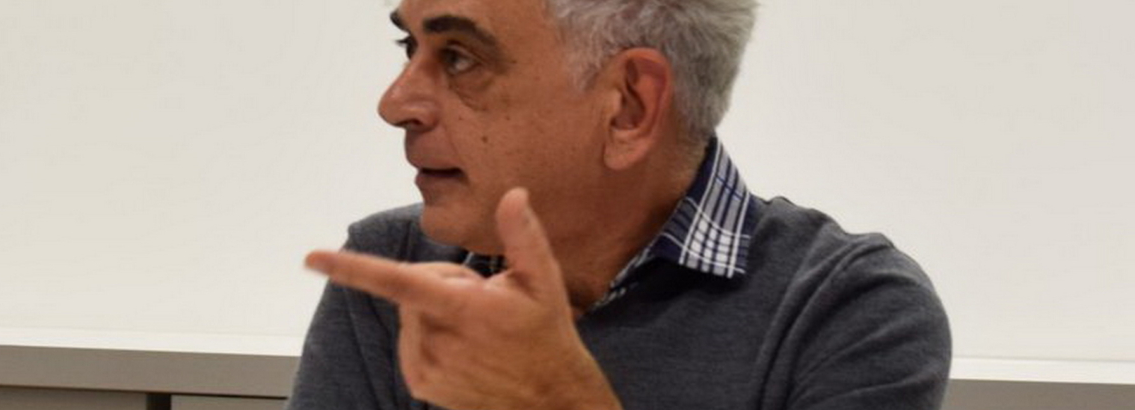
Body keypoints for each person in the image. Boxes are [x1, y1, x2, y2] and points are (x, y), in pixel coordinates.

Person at [286, 0, 951, 409]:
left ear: (630, 106)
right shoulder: (394, 269)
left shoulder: (847, 311)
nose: (395, 103)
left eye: (459, 57)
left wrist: (555, 402)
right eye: (409, 46)